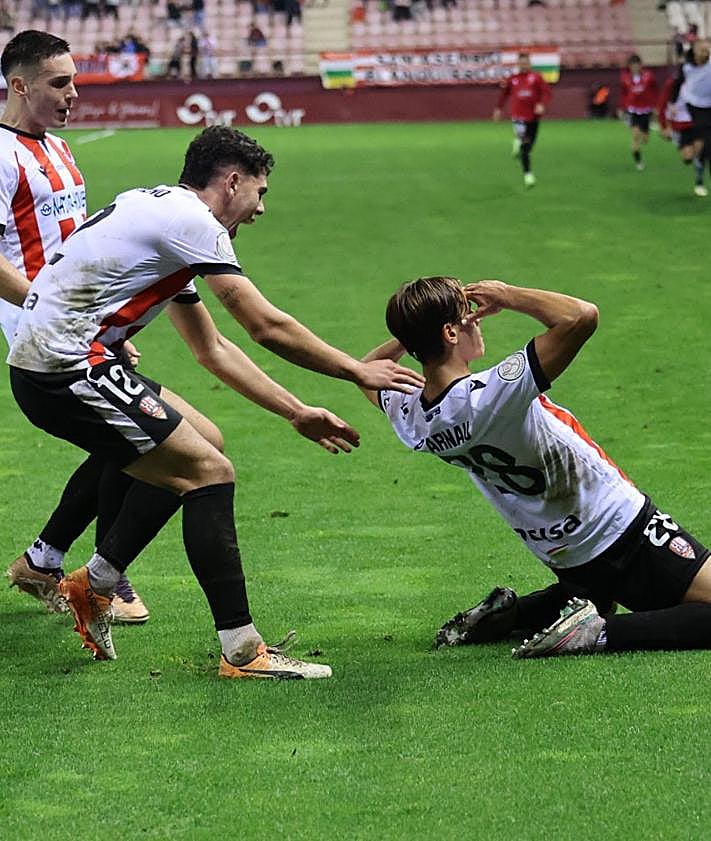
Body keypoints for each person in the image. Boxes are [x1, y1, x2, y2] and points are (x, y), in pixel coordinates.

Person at [8, 126, 424, 679]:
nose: (260, 209)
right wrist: (354, 369)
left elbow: (211, 349)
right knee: (209, 473)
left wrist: (295, 410)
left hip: (63, 360)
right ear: (231, 181)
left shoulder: (159, 214)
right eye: (260, 192)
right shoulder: (194, 225)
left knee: (204, 443)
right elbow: (264, 325)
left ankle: (96, 581)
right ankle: (242, 651)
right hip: (63, 368)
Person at [359, 276, 711, 659]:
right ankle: (595, 632)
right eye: (468, 316)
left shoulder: (414, 417)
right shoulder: (493, 395)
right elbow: (581, 316)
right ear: (450, 332)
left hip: (564, 555)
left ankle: (519, 614)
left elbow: (368, 368)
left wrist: (416, 333)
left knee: (600, 592)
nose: (477, 320)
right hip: (617, 527)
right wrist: (508, 296)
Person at [0, 30, 150, 622]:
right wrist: (48, 305)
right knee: (133, 436)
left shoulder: (59, 150)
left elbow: (83, 245)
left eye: (74, 81)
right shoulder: (2, 155)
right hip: (41, 331)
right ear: (19, 85)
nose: (73, 94)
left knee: (129, 436)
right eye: (59, 83)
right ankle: (101, 577)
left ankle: (47, 562)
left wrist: (110, 322)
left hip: (80, 322)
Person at [493, 52, 551, 189]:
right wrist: (498, 109)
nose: (524, 65)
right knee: (525, 146)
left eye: (526, 63)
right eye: (521, 63)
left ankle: (518, 143)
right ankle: (528, 175)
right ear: (518, 64)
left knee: (530, 146)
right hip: (518, 117)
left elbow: (546, 92)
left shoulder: (536, 78)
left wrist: (542, 104)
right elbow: (504, 95)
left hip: (534, 117)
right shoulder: (513, 79)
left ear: (529, 64)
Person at [658, 65, 707, 197]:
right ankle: (697, 163)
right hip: (681, 125)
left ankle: (699, 181)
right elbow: (663, 105)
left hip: (699, 122)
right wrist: (664, 126)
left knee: (699, 151)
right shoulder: (672, 84)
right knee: (688, 157)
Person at [676, 39, 711, 189]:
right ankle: (699, 168)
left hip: (709, 107)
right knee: (698, 149)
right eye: (702, 49)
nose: (706, 52)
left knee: (708, 145)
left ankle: (700, 171)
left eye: (707, 49)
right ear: (695, 51)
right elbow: (675, 87)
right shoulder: (686, 68)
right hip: (693, 108)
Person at [619, 54, 658, 172]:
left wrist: (656, 106)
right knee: (635, 136)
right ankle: (638, 162)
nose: (635, 67)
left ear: (640, 66)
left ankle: (646, 131)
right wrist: (622, 108)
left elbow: (655, 90)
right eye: (633, 65)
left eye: (637, 65)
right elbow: (623, 94)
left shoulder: (648, 76)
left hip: (646, 110)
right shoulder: (625, 78)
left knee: (645, 139)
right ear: (629, 67)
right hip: (633, 110)